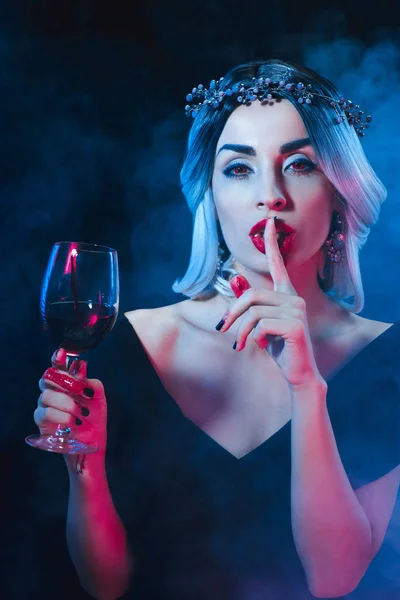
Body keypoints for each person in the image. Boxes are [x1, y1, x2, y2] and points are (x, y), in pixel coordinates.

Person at [33, 59, 400, 600]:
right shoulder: (133, 342)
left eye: (300, 165)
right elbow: (106, 584)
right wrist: (81, 467)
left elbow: (334, 579)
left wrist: (306, 387)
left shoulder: (385, 358)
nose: (270, 194)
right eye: (238, 168)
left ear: (341, 192)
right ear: (209, 196)